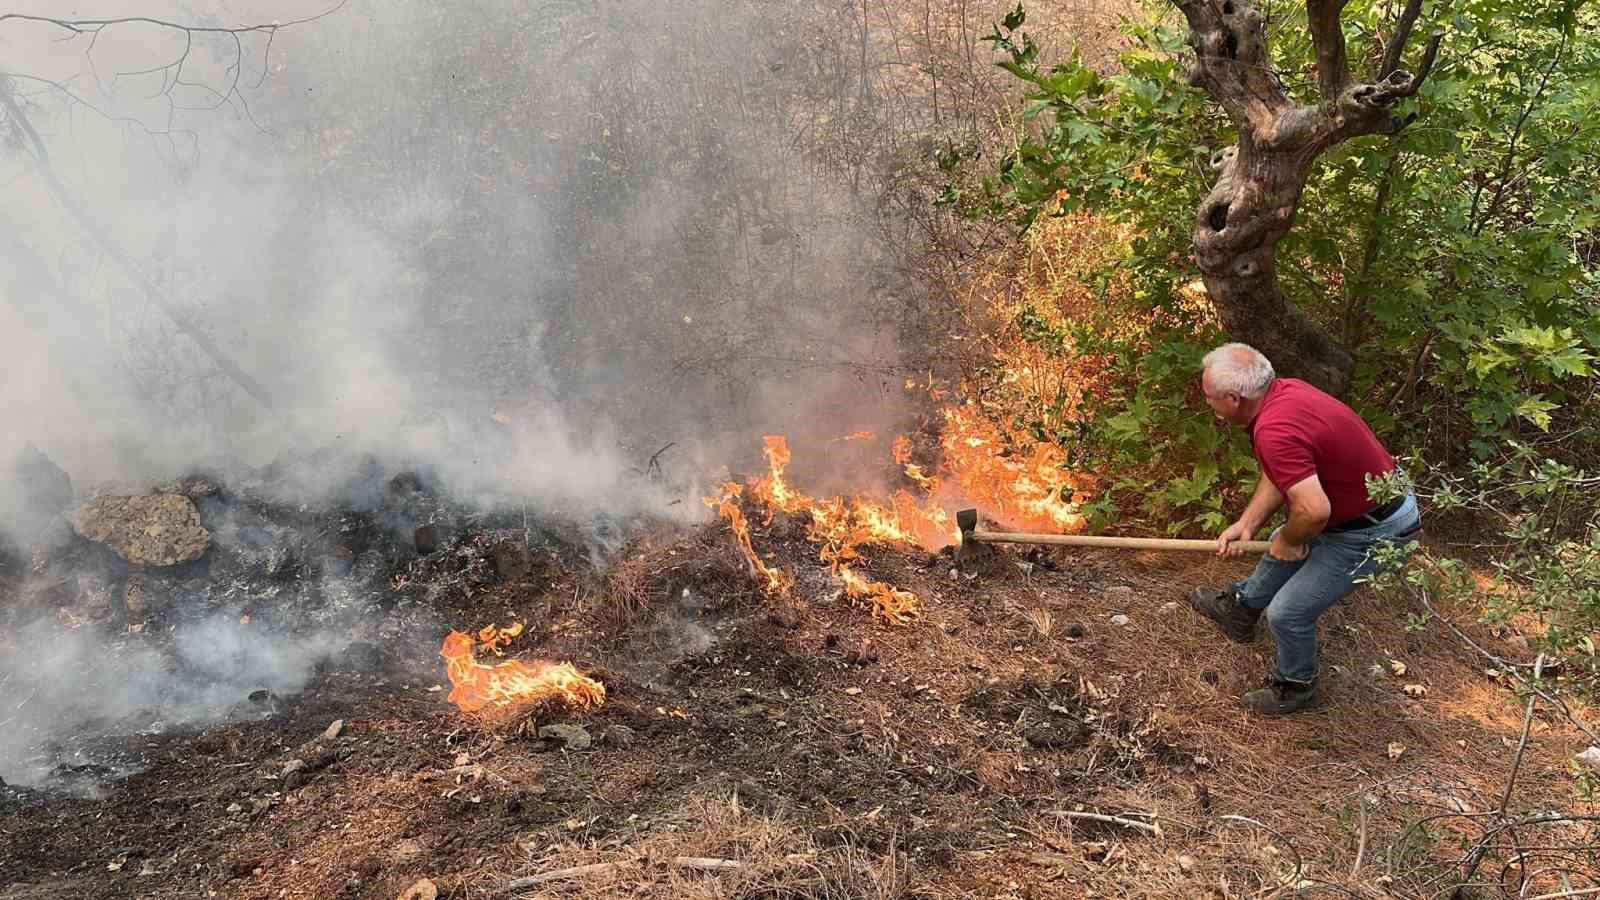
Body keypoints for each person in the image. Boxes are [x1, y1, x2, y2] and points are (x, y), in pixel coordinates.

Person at [1189, 343, 1421, 715]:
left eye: (1210, 398)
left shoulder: (1274, 429)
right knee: (1283, 538)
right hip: (1363, 512)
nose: (1208, 405)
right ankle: (1242, 610)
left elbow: (1313, 512)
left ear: (1234, 399)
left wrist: (1291, 540)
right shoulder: (1284, 393)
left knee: (1287, 612)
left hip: (1377, 532)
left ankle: (1297, 686)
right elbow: (1285, 470)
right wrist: (1249, 523)